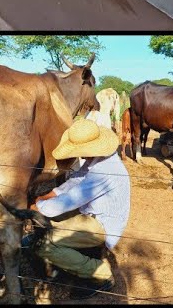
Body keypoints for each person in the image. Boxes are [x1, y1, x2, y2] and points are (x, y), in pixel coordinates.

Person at [21, 118, 130, 298]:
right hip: (91, 214)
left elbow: (70, 199)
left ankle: (101, 275)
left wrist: (36, 206)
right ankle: (62, 259)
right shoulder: (99, 159)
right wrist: (46, 196)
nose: (79, 155)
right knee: (47, 225)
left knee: (44, 244)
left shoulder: (104, 171)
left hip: (101, 225)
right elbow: (77, 180)